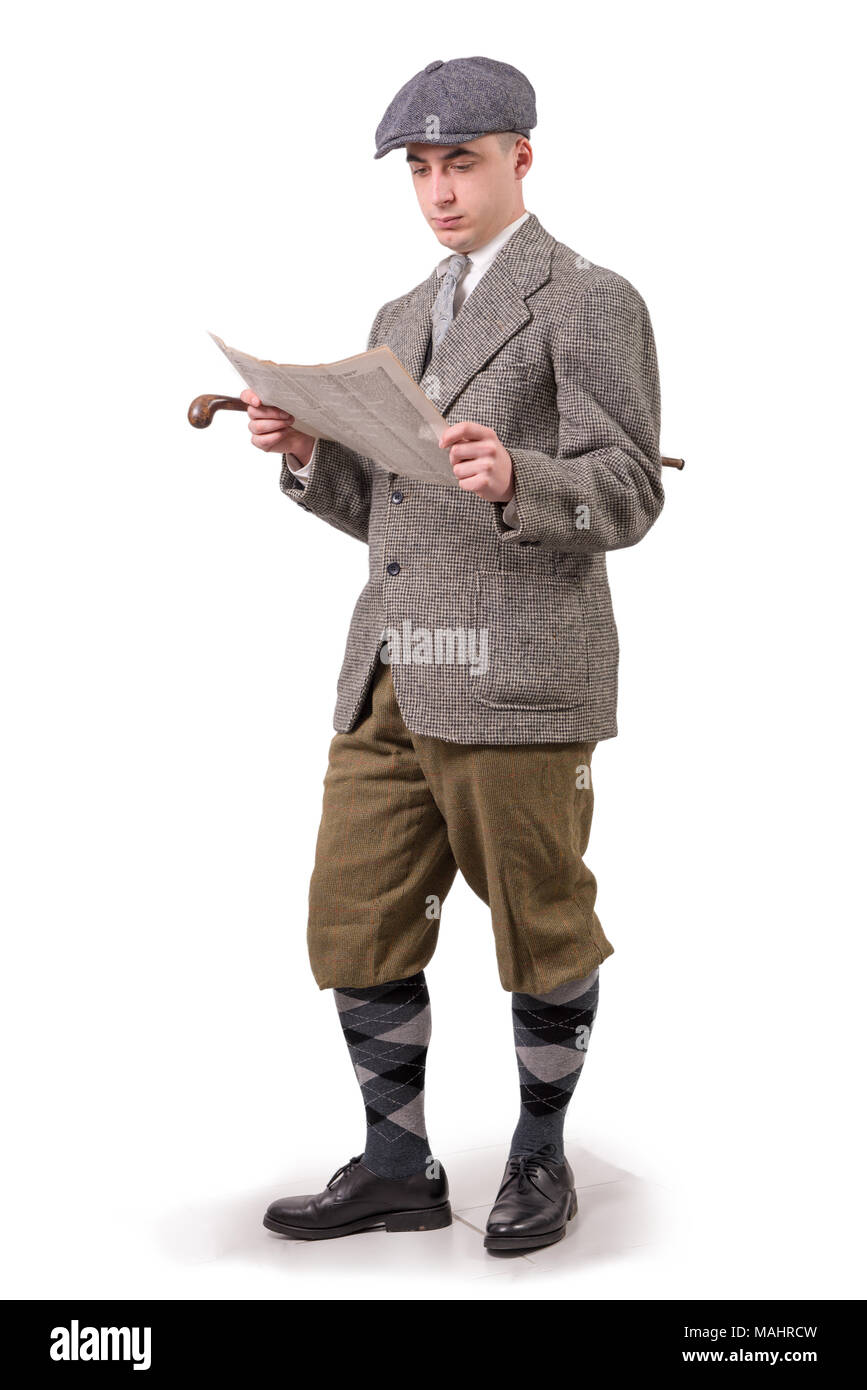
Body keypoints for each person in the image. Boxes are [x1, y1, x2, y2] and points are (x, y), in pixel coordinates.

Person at [242, 55, 665, 1252]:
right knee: (356, 915)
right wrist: (300, 453)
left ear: (520, 159)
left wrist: (521, 477)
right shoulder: (396, 317)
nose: (439, 189)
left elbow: (631, 489)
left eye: (461, 162)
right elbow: (385, 509)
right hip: (388, 668)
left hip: (520, 671)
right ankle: (394, 1163)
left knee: (540, 920)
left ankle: (541, 1153)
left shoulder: (588, 300)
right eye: (421, 169)